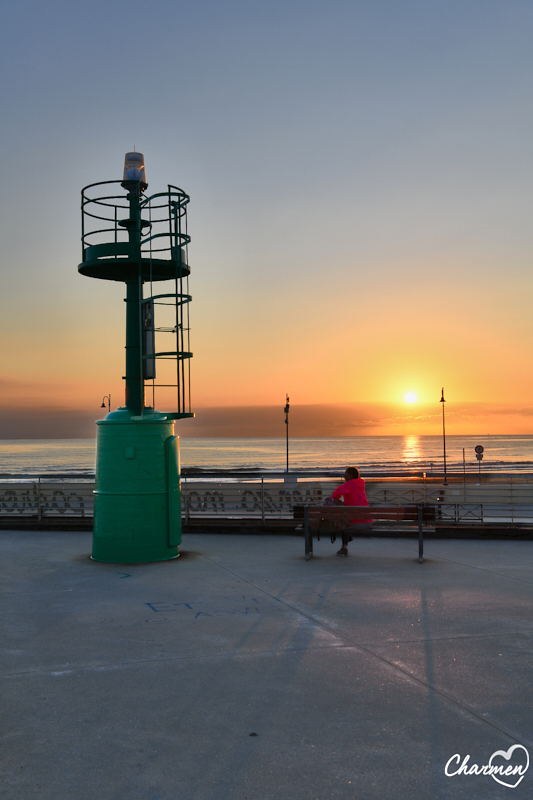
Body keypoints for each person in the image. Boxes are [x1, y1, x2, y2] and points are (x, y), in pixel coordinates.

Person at [330, 466, 371, 557]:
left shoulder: (350, 484)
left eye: (345, 474)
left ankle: (344, 547)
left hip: (357, 523)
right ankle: (347, 538)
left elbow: (337, 493)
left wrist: (334, 499)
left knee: (342, 521)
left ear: (351, 476)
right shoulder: (359, 484)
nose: (344, 476)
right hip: (367, 521)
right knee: (346, 518)